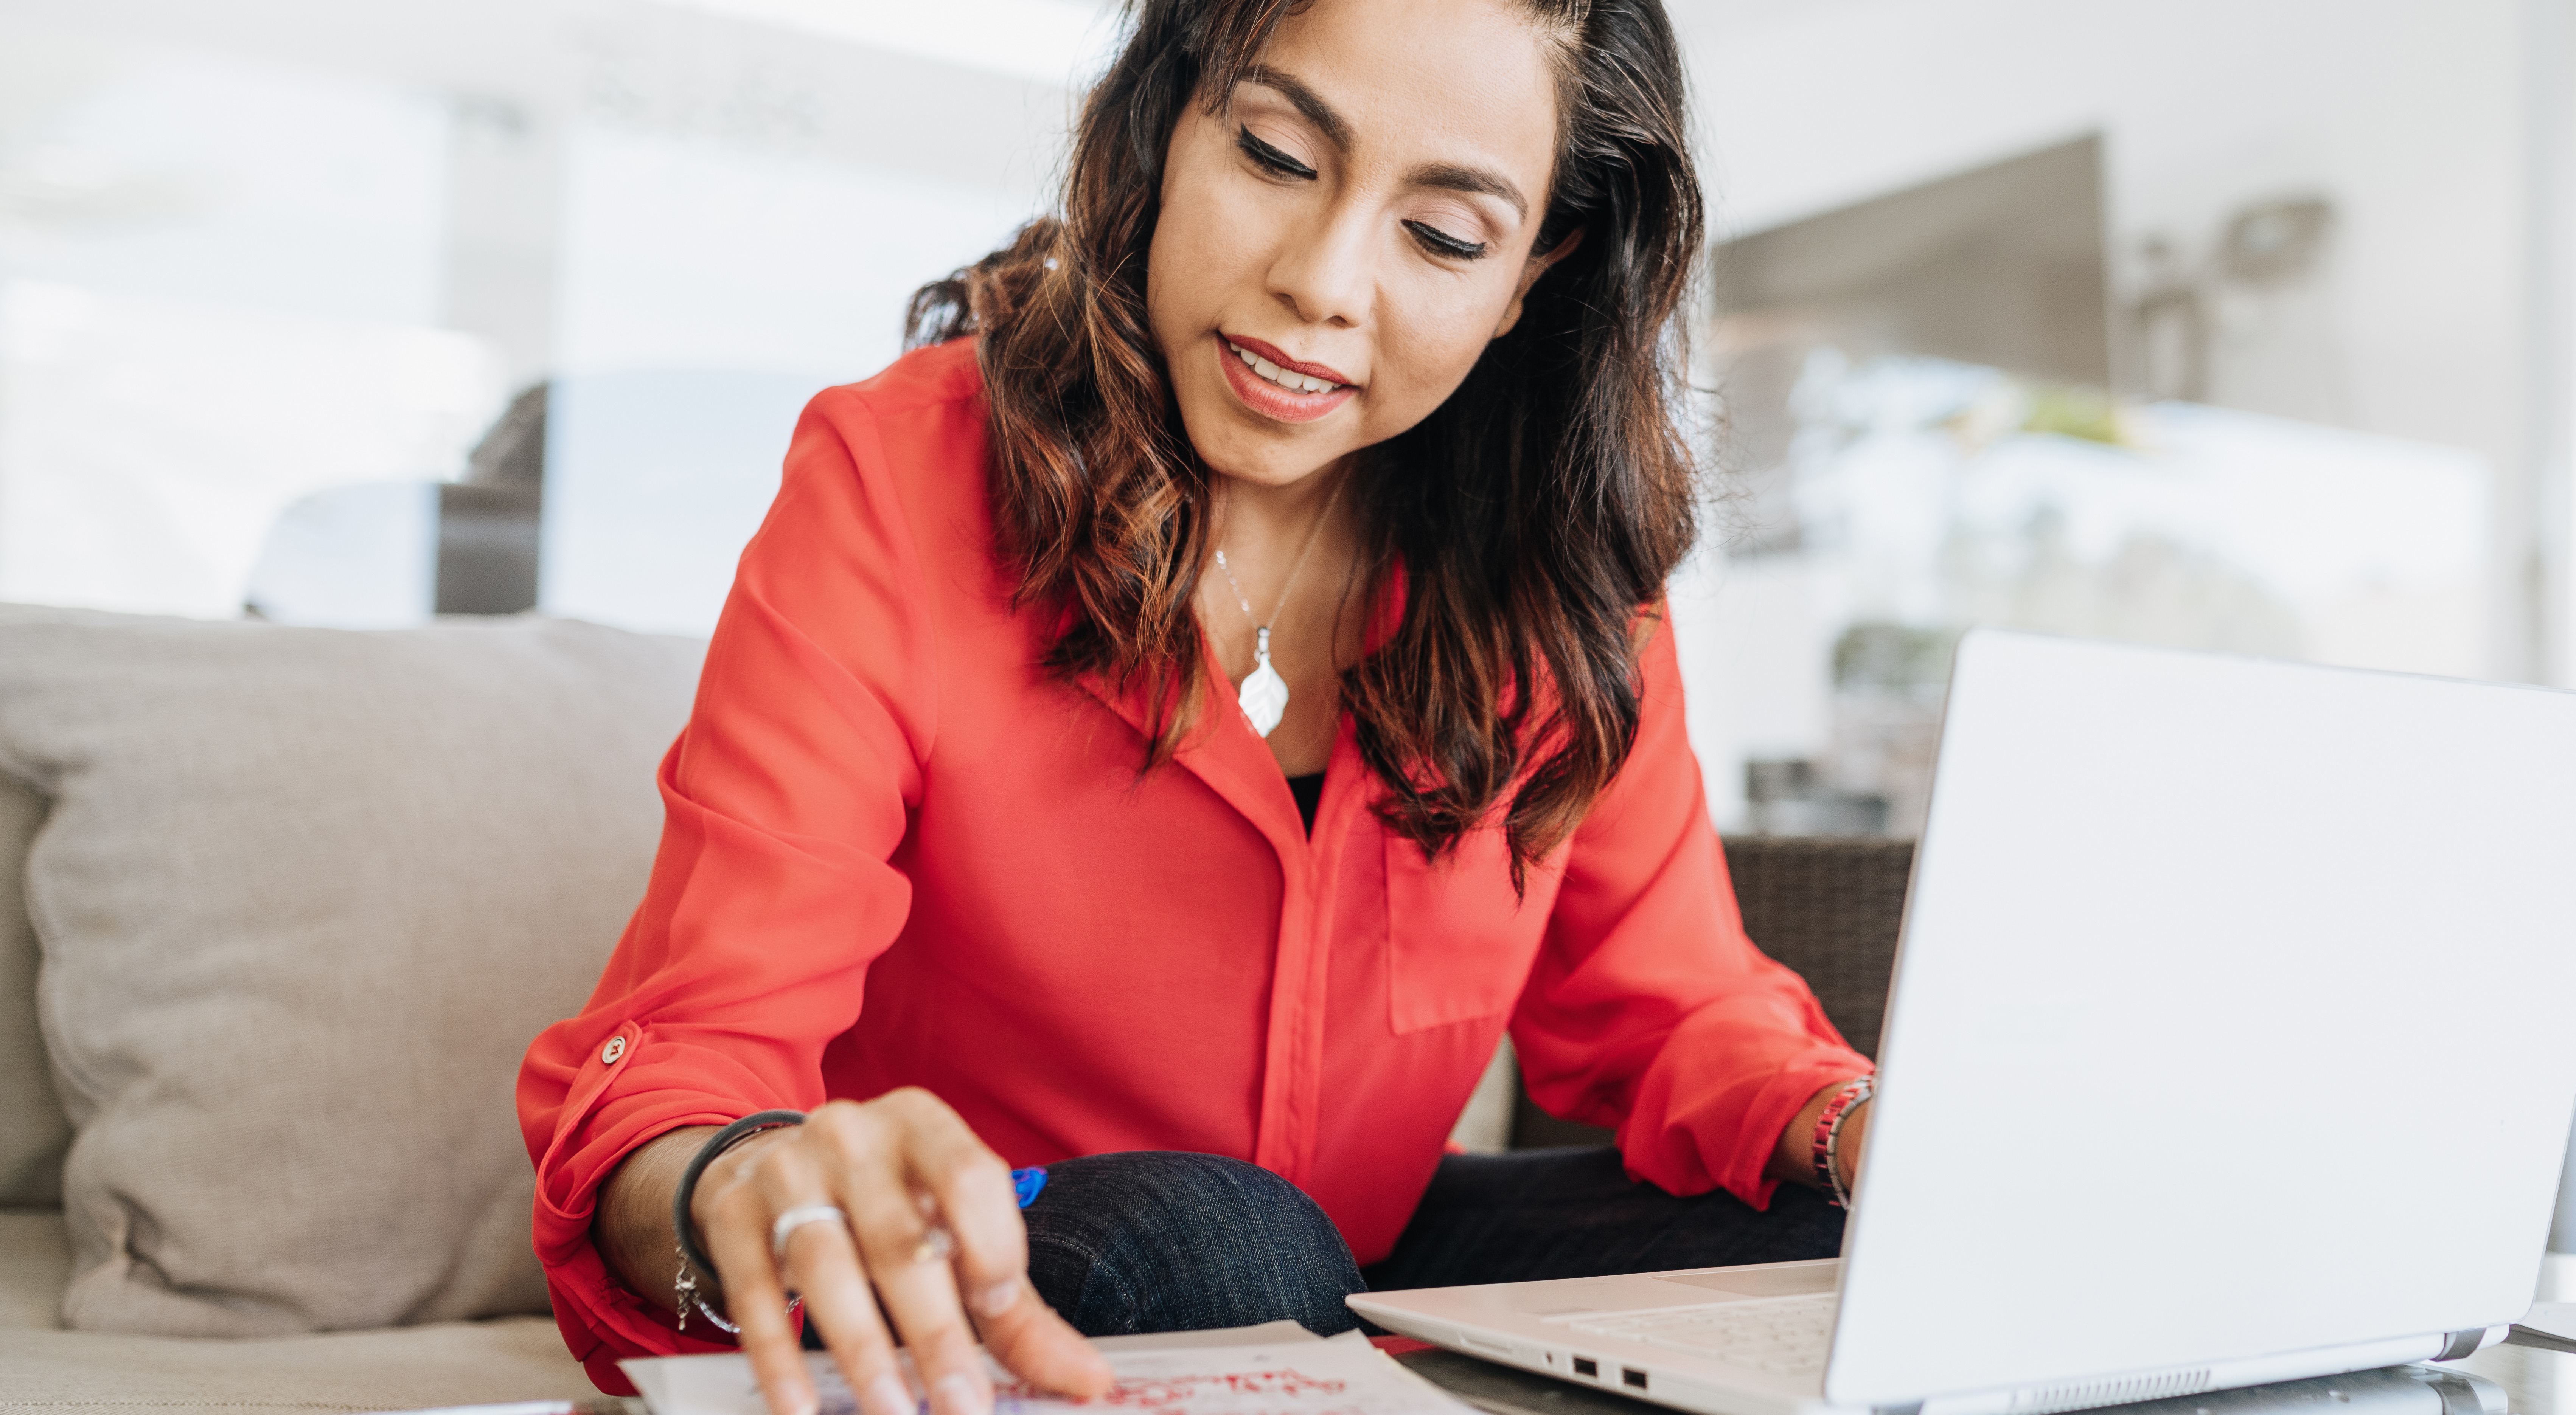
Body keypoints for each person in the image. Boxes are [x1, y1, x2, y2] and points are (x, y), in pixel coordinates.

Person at [514, 2, 1877, 1413]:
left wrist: (1860, 1129)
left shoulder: (1564, 581)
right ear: (1170, 120)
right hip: (995, 1265)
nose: (1324, 282)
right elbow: (687, 1068)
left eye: (1447, 238)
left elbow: (1678, 1005)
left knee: (1862, 1246)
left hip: (1356, 1256)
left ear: (1537, 271)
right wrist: (748, 1188)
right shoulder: (894, 480)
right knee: (1222, 1240)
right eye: (1279, 155)